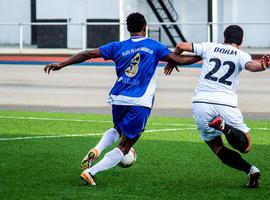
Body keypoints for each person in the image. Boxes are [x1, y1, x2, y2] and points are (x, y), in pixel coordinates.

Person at [44, 12, 201, 186]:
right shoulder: (154, 46)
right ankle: (90, 172)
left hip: (118, 98)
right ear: (145, 27)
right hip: (139, 102)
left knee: (117, 129)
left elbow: (88, 54)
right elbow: (181, 60)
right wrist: (205, 54)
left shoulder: (118, 46)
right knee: (125, 146)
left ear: (128, 29)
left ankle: (98, 148)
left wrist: (61, 64)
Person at [164, 25, 269, 188]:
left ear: (224, 38)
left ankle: (250, 170)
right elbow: (250, 65)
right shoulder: (241, 54)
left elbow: (181, 46)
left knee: (217, 147)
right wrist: (262, 66)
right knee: (246, 146)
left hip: (201, 103)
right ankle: (225, 127)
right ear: (240, 41)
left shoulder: (210, 46)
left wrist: (173, 59)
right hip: (225, 103)